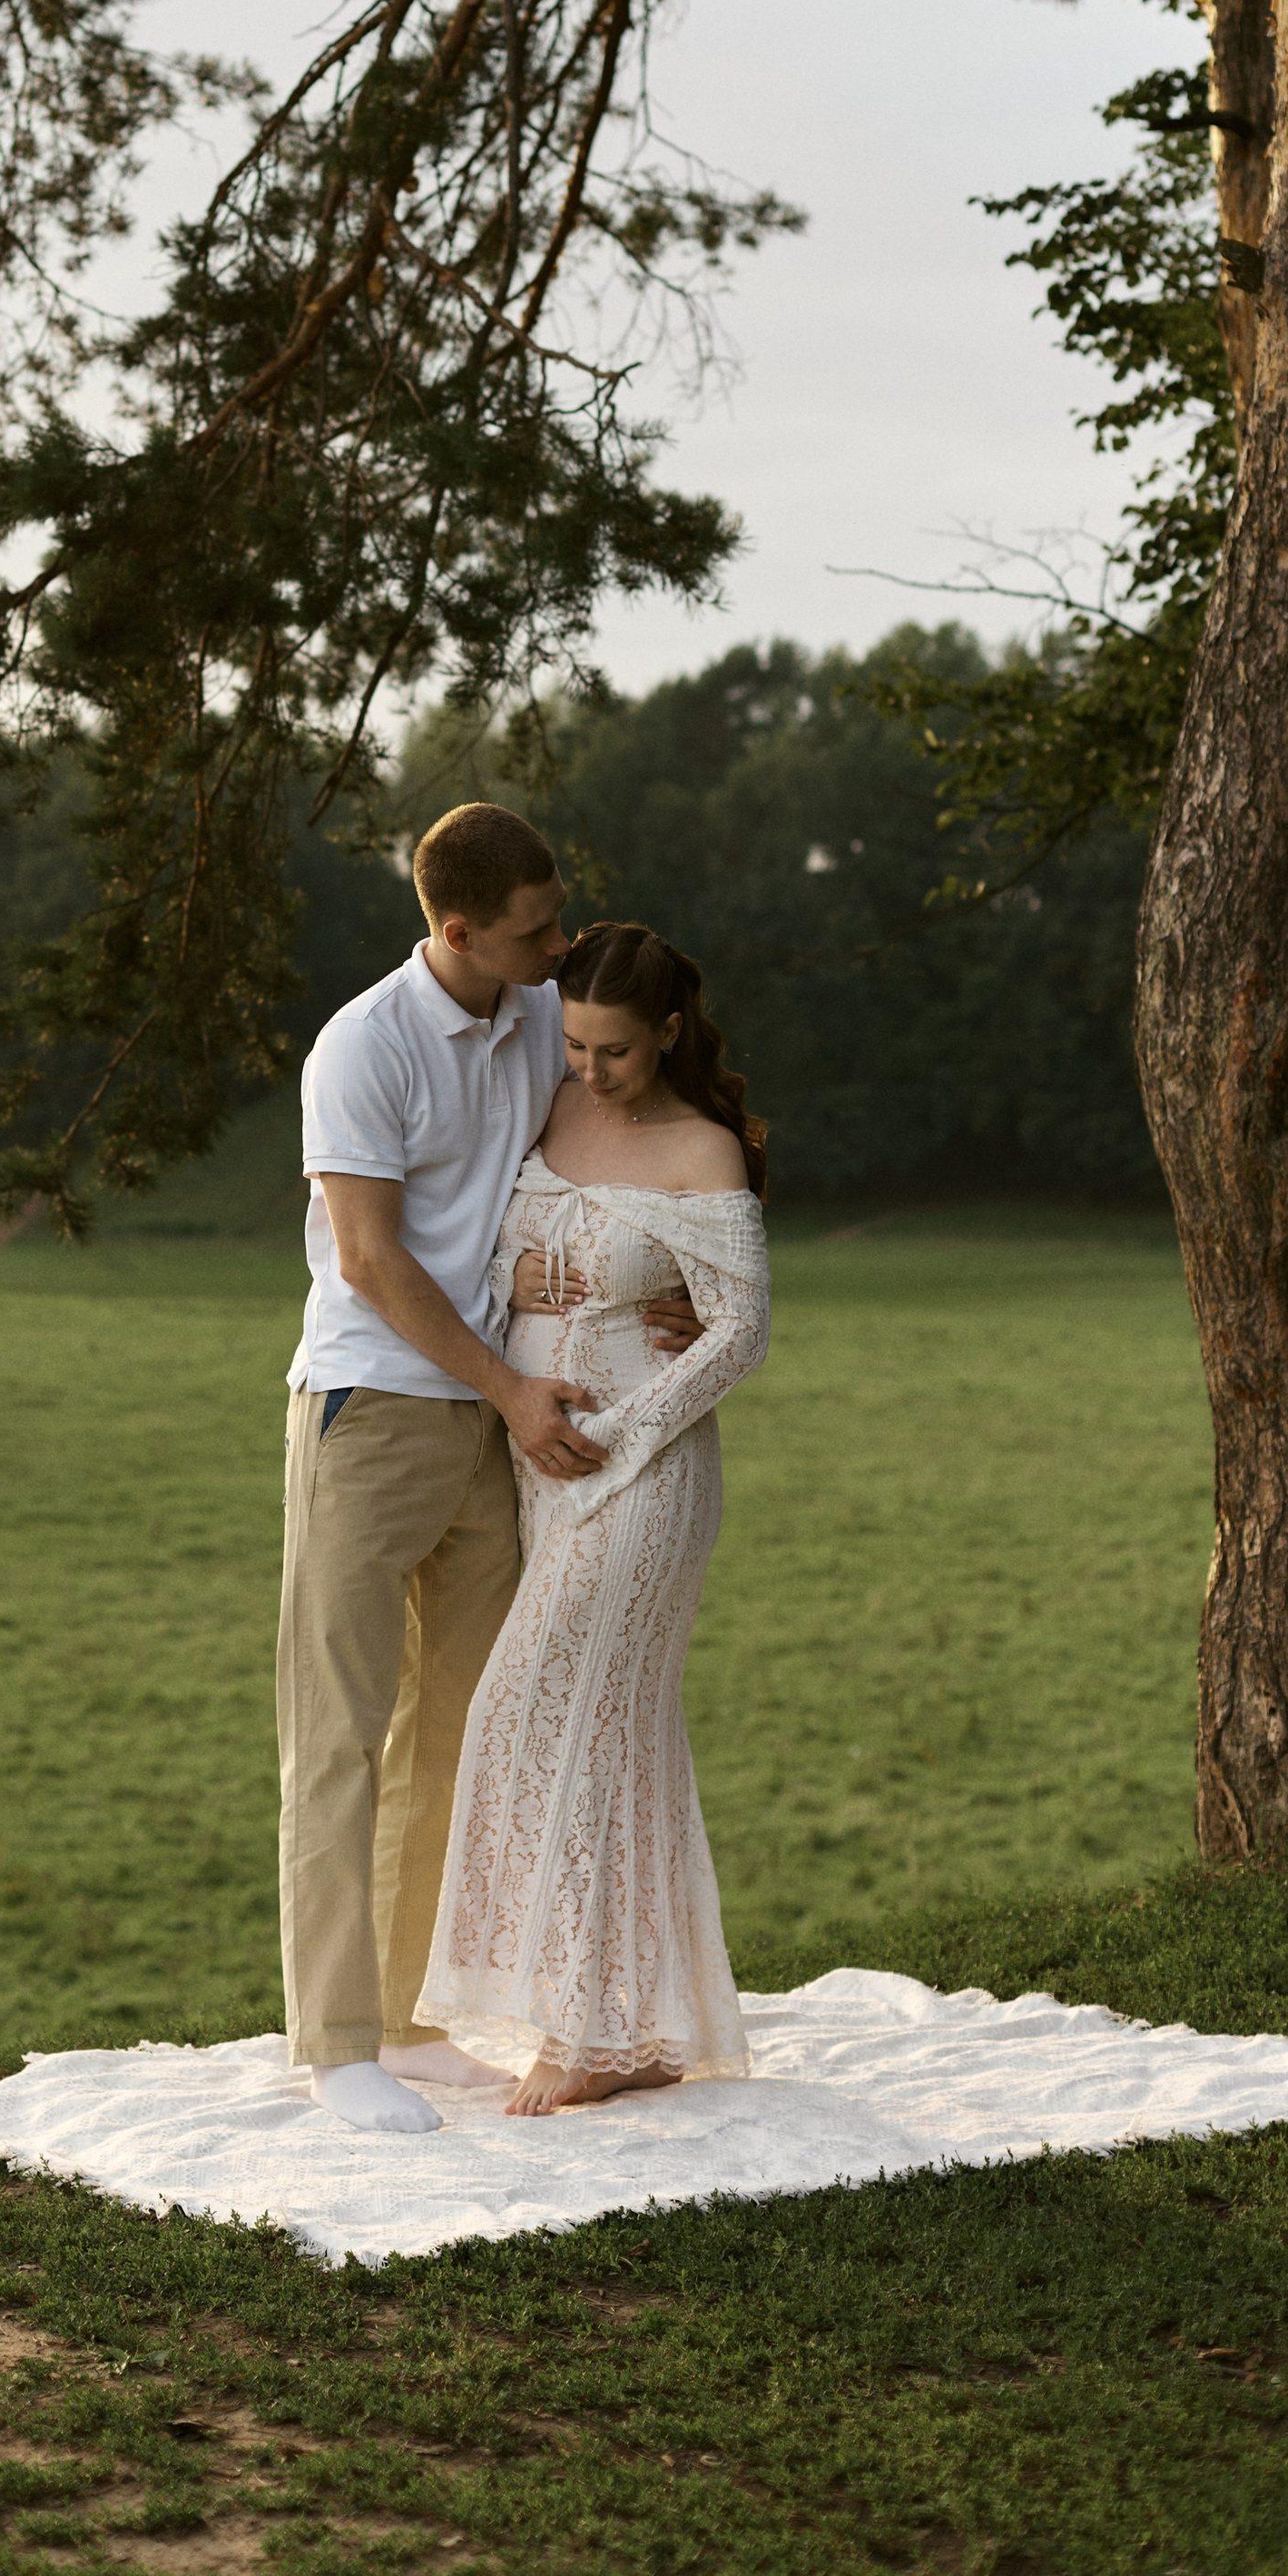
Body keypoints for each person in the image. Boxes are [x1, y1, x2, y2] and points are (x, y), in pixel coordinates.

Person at [279, 811, 702, 2137]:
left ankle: (411, 2017)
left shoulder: (537, 1016)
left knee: (465, 1724)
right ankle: (336, 2044)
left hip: (495, 1420)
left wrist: (680, 1284)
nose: (558, 939)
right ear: (455, 932)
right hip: (375, 1412)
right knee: (337, 1733)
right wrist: (510, 1386)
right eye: (534, 926)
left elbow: (632, 1141)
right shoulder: (365, 1046)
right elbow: (370, 1259)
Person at [418, 918, 772, 2114]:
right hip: (540, 1463)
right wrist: (519, 1296)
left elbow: (740, 1331)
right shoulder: (547, 1106)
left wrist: (615, 1433)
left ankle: (577, 2031)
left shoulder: (702, 1150)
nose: (589, 1070)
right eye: (575, 1045)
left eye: (615, 1052)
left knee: (533, 1712)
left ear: (667, 1036)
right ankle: (643, 2033)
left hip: (643, 1472)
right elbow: (493, 1230)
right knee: (616, 1736)